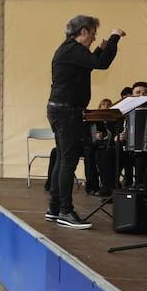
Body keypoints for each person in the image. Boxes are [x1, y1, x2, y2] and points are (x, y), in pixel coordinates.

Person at [46, 15, 124, 230]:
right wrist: (115, 37)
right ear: (83, 32)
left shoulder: (70, 50)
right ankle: (65, 210)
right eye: (92, 33)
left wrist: (101, 48)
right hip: (66, 112)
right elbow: (101, 64)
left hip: (61, 110)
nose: (93, 38)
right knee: (68, 161)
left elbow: (90, 63)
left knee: (63, 159)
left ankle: (54, 210)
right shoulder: (72, 50)